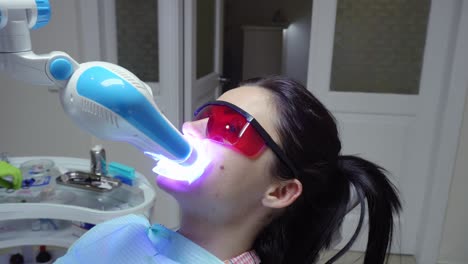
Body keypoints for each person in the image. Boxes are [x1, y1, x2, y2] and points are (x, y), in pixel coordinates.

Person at [56, 76, 401, 264]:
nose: (190, 127)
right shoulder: (119, 234)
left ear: (280, 191)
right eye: (204, 114)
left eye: (230, 127)